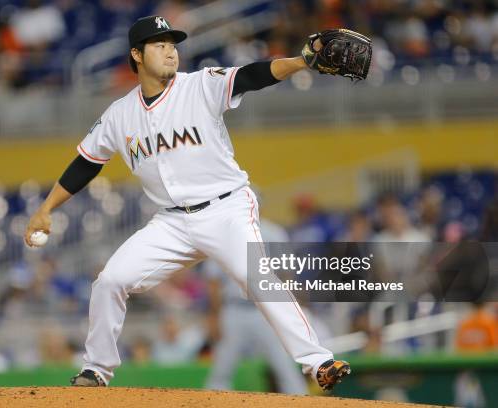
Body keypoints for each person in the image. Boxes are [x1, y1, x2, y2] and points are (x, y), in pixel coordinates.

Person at [25, 16, 356, 390]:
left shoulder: (199, 85)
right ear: (136, 54)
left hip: (226, 208)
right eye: (159, 44)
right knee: (110, 280)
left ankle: (319, 363)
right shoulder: (119, 114)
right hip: (171, 222)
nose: (170, 51)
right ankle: (96, 370)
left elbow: (251, 75)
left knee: (259, 278)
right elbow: (87, 162)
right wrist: (46, 208)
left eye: (173, 44)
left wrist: (300, 63)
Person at [204, 218, 308, 394]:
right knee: (223, 366)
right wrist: (214, 315)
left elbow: (286, 274)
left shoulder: (273, 232)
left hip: (266, 308)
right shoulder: (224, 235)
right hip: (233, 309)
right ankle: (212, 403)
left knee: (283, 364)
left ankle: (301, 401)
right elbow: (214, 281)